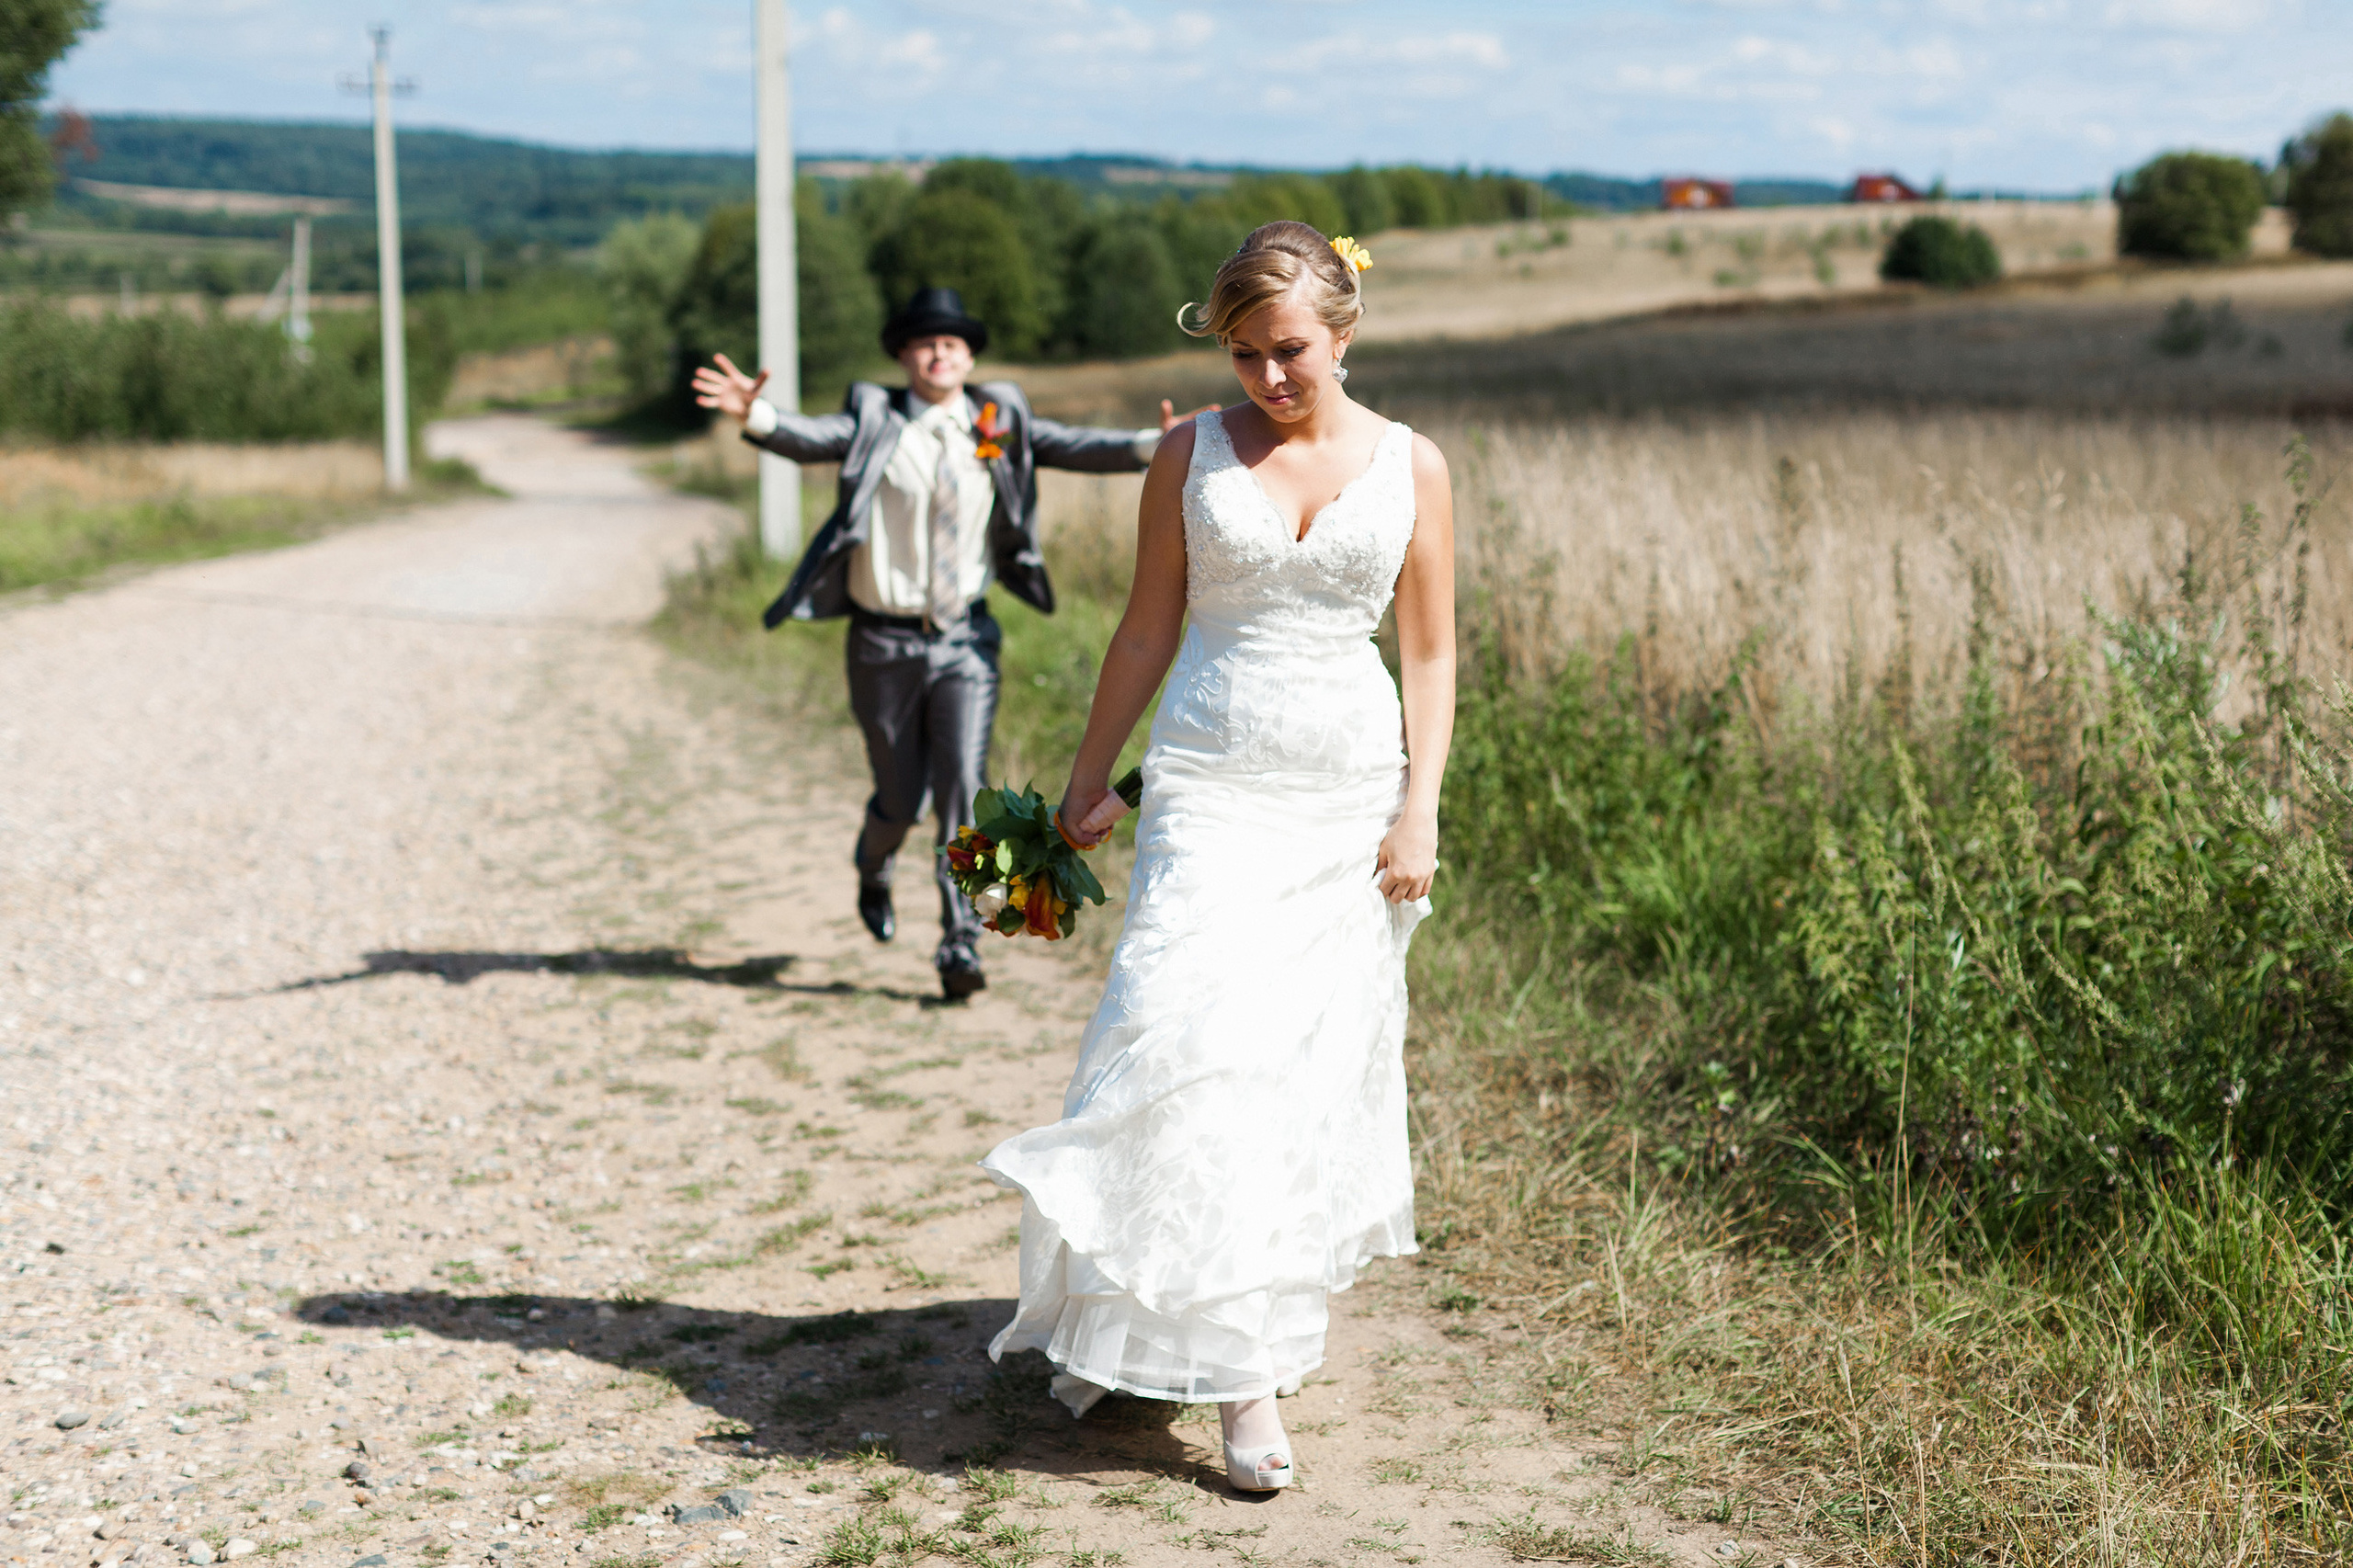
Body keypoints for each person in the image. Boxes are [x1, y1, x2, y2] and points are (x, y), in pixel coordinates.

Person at [979, 223, 1456, 1493]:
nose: (1269, 378)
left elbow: (1431, 652)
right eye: (1245, 354)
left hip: (1343, 798)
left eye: (1289, 350)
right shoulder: (1188, 452)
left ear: (1343, 332)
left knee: (1290, 1072)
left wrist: (1421, 808)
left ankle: (1233, 1323)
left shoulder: (1416, 466)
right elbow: (1146, 628)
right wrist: (1089, 777)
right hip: (1207, 788)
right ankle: (1239, 1374)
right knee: (1184, 1035)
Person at [692, 287, 1210, 1000]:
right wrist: (755, 413)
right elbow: (810, 437)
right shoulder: (877, 419)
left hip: (966, 639)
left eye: (954, 342)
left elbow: (1073, 446)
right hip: (882, 642)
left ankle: (961, 943)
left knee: (963, 794)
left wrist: (1159, 444)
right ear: (905, 354)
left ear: (970, 356)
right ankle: (874, 863)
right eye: (926, 342)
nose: (941, 352)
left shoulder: (999, 419)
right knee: (899, 799)